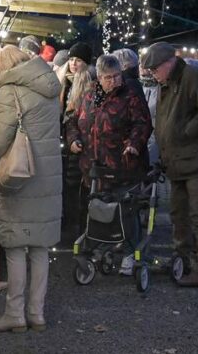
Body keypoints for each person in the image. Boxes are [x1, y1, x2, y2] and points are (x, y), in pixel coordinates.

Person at [0, 46, 62, 333]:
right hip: (48, 177)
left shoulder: (10, 90)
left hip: (20, 175)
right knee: (41, 248)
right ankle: (37, 314)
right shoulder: (49, 87)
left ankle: (14, 314)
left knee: (16, 248)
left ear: (3, 67)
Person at [143, 42, 198, 287]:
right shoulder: (167, 82)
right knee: (178, 214)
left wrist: (189, 130)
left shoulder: (192, 77)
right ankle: (182, 259)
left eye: (155, 69)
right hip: (177, 161)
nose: (152, 74)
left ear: (168, 63)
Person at [66, 55, 152, 274]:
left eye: (117, 76)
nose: (113, 81)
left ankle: (129, 252)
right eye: (108, 77)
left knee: (125, 211)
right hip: (94, 167)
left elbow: (142, 124)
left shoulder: (130, 96)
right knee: (98, 209)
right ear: (99, 78)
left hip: (122, 166)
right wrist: (73, 139)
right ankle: (99, 248)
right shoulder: (91, 95)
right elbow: (76, 121)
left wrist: (134, 144)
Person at [56, 42, 95, 240]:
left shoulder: (89, 84)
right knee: (66, 185)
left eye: (78, 60)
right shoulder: (62, 82)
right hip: (62, 141)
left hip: (79, 142)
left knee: (78, 186)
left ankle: (78, 228)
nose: (73, 63)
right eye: (71, 59)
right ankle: (69, 225)